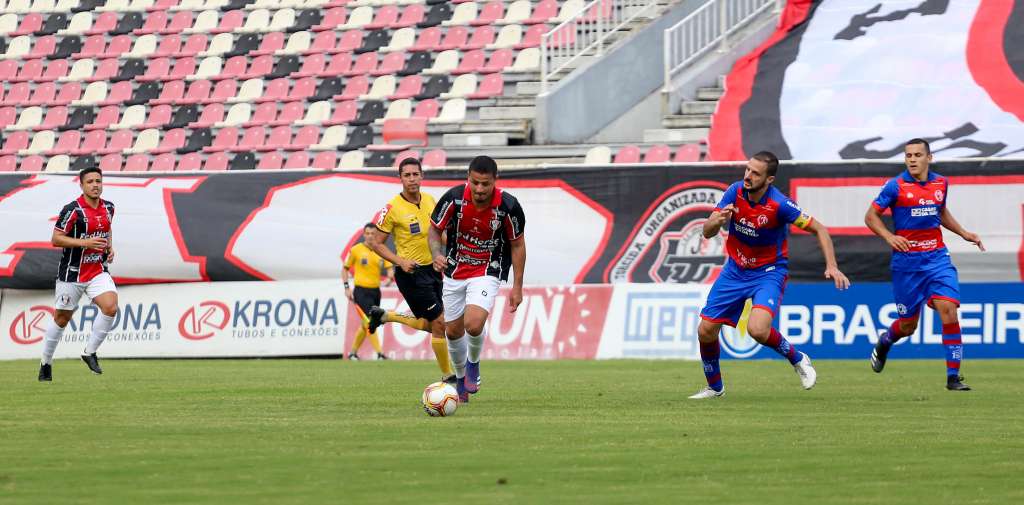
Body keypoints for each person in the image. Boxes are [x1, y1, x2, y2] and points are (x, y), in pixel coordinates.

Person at [690, 151, 850, 399]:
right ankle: (715, 387)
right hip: (735, 270)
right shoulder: (734, 191)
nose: (748, 176)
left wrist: (832, 265)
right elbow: (707, 232)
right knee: (705, 331)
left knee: (757, 329)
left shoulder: (780, 205)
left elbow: (819, 229)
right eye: (747, 169)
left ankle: (798, 358)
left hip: (768, 273)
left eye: (755, 173)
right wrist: (717, 221)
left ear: (769, 179)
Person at [865, 138, 983, 391]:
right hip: (907, 264)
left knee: (948, 309)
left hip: (937, 258)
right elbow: (871, 216)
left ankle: (953, 377)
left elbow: (940, 212)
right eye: (908, 155)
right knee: (907, 326)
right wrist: (889, 237)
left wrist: (964, 233)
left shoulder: (941, 183)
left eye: (918, 155)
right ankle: (885, 341)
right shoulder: (895, 186)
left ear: (929, 158)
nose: (912, 159)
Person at [429, 155, 526, 403]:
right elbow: (435, 230)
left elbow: (517, 245)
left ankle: (473, 363)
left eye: (485, 184)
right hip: (454, 270)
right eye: (475, 183)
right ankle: (461, 380)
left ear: (495, 180)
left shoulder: (508, 206)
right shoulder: (453, 198)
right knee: (452, 331)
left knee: (473, 324)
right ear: (468, 178)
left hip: (487, 269)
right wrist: (436, 253)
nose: (480, 189)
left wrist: (517, 286)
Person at [365, 158, 454, 382]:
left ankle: (385, 316)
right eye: (407, 175)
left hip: (433, 270)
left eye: (415, 174)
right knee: (440, 323)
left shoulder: (431, 200)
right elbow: (376, 243)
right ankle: (448, 377)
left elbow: (438, 234)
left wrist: (454, 247)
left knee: (433, 325)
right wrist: (400, 261)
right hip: (411, 274)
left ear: (422, 176)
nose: (412, 179)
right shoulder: (392, 208)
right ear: (400, 178)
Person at [38, 167, 118, 382]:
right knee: (62, 318)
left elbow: (107, 229)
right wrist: (85, 243)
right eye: (90, 181)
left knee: (111, 307)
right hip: (72, 274)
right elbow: (56, 239)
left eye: (98, 181)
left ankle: (89, 352)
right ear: (81, 185)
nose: (95, 185)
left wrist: (110, 247)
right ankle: (46, 363)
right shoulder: (72, 210)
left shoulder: (109, 207)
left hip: (97, 270)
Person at [343, 223, 394, 361]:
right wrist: (347, 287)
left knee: (367, 324)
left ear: (376, 235)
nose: (370, 236)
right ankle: (380, 353)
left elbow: (390, 268)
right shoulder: (356, 250)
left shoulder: (381, 250)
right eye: (368, 233)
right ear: (364, 234)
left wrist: (390, 278)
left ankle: (352, 353)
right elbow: (345, 269)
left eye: (373, 234)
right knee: (369, 320)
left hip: (375, 291)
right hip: (361, 291)